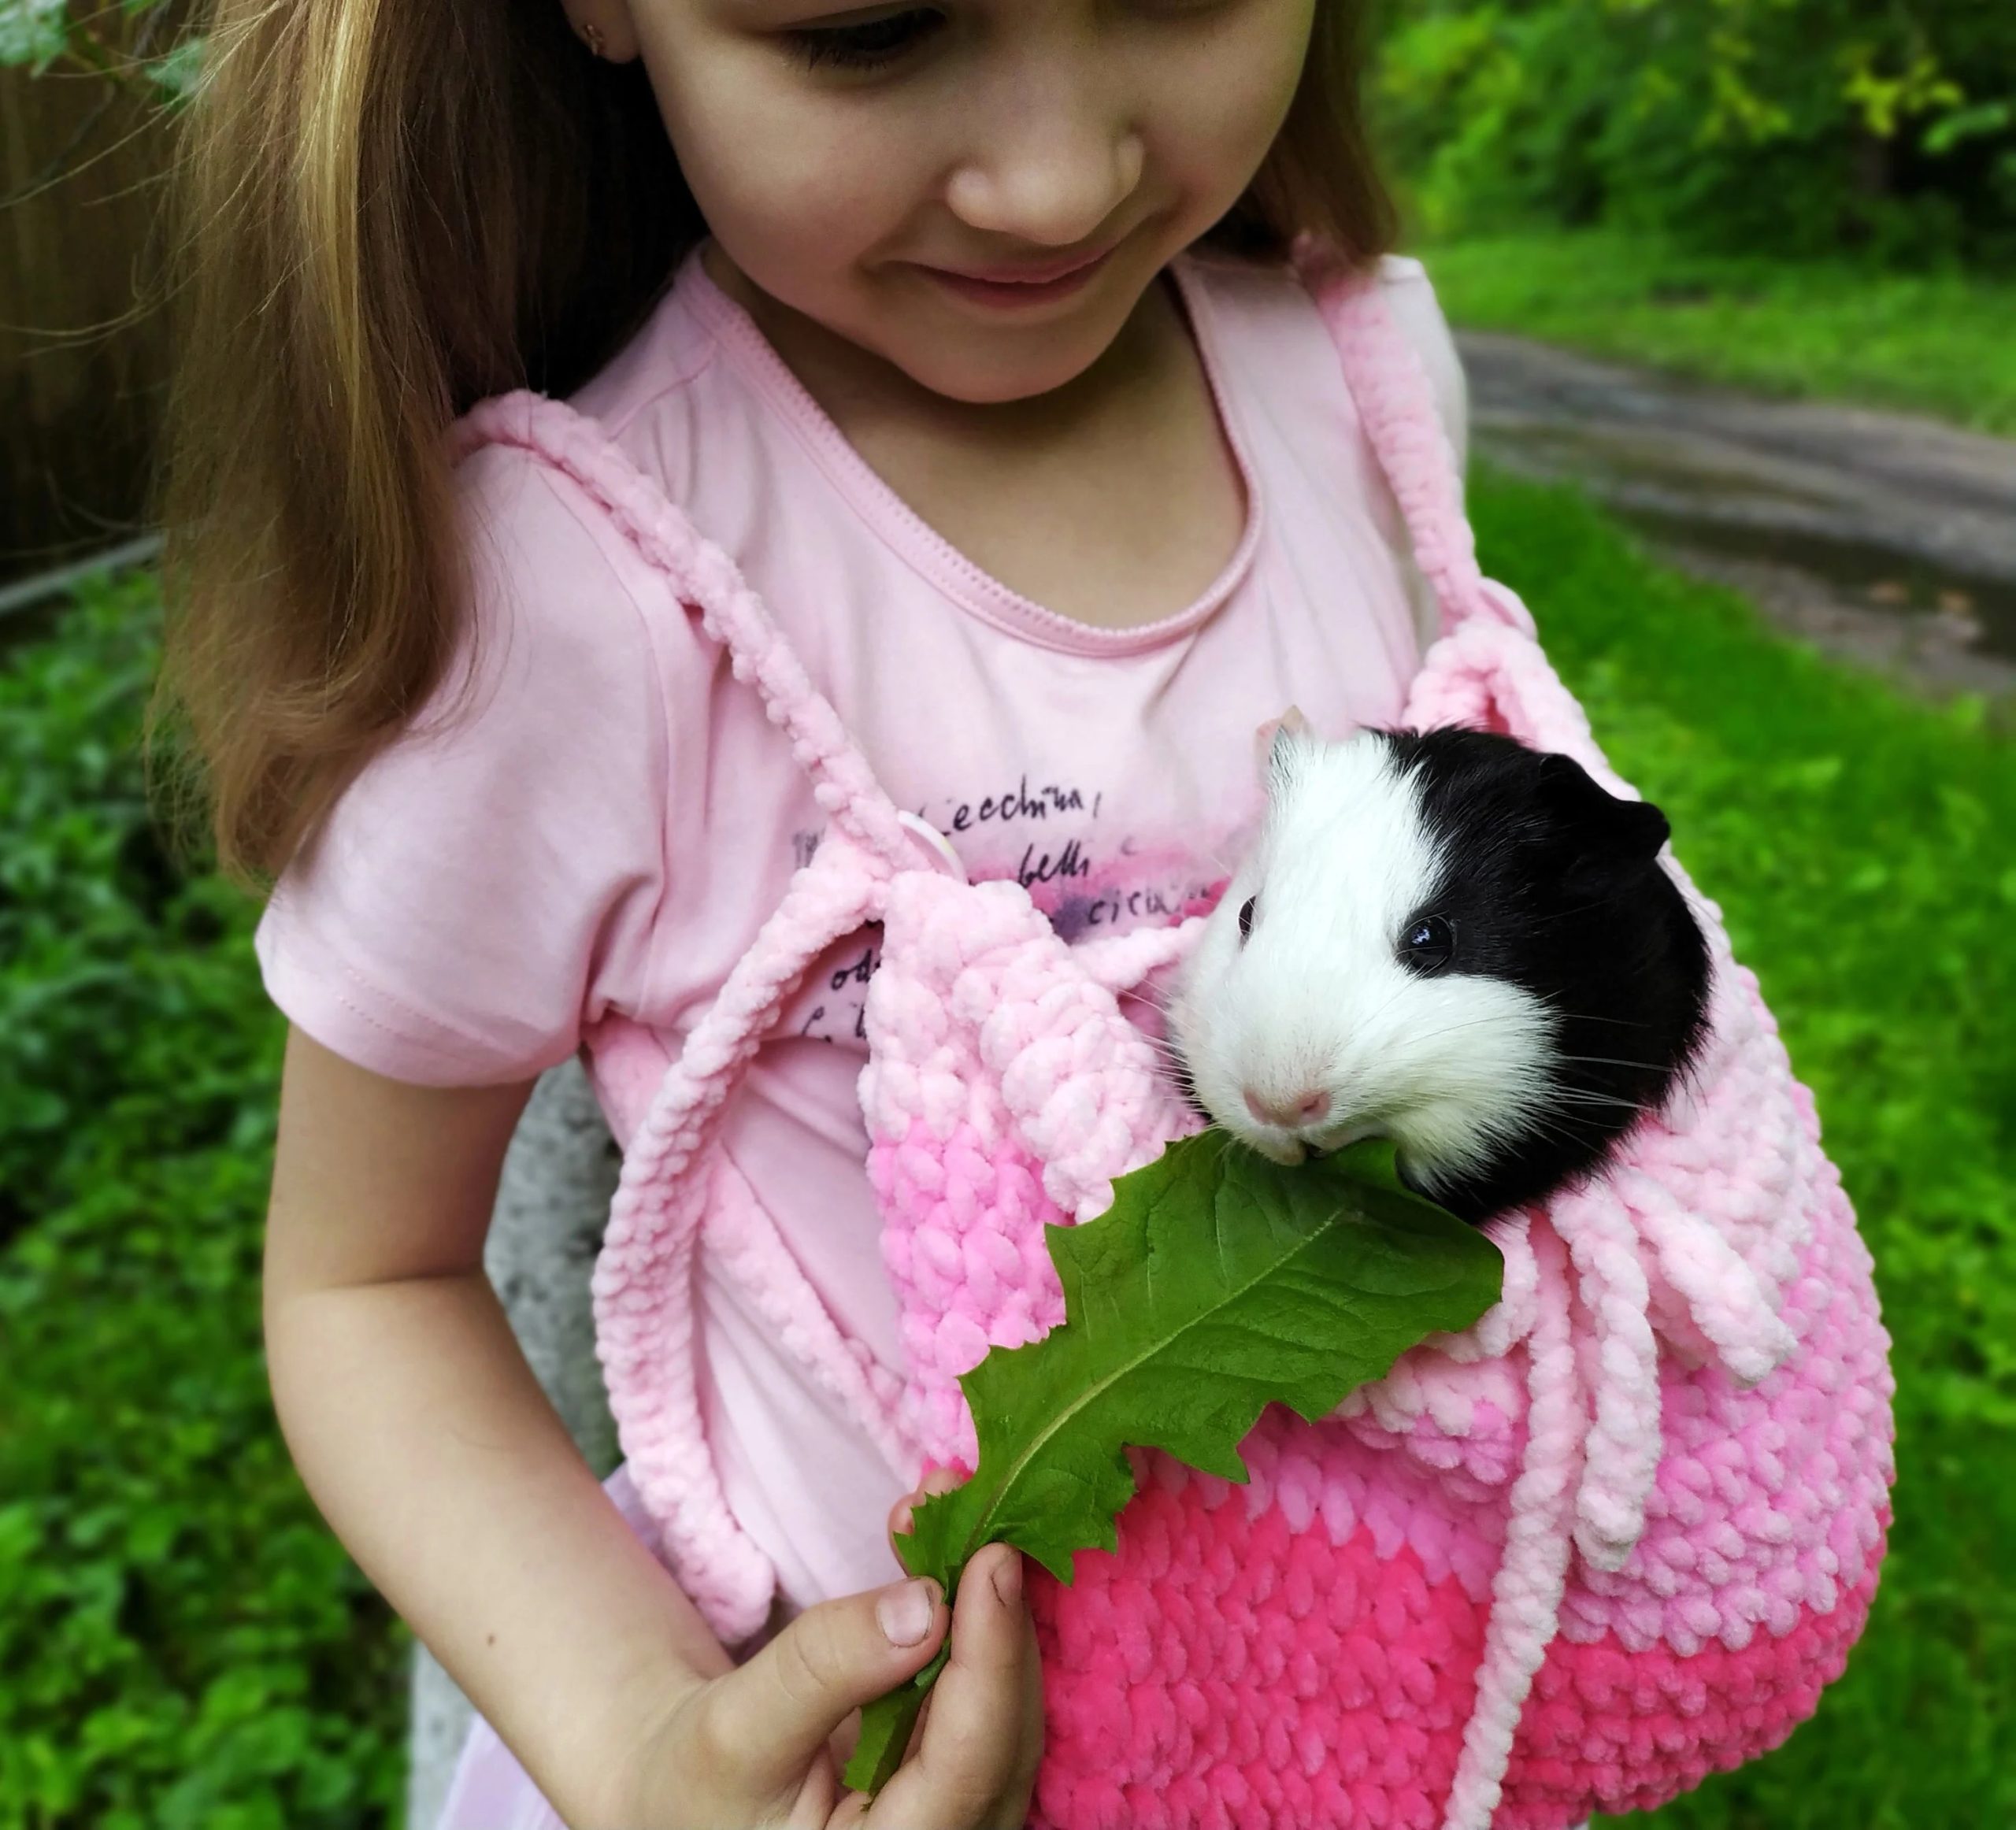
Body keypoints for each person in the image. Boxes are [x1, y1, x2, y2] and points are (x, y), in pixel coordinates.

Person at [154, 0, 1466, 1823]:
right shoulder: (577, 589)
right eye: (862, 33)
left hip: (1357, 1720)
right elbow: (367, 1278)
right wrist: (633, 1734)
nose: (1048, 181)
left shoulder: (1360, 379)